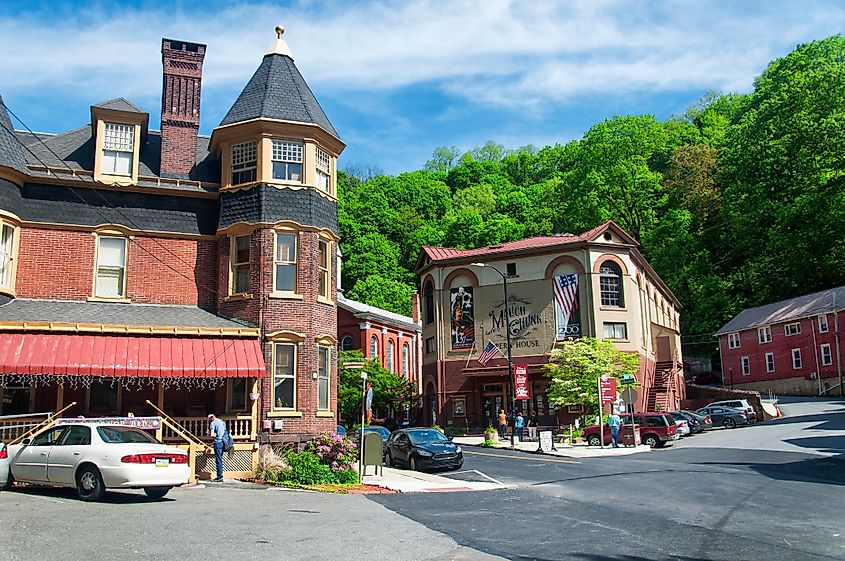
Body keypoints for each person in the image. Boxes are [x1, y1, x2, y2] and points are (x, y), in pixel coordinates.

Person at [208, 413, 227, 481]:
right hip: (223, 441)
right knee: (220, 459)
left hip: (218, 442)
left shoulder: (212, 423)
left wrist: (209, 433)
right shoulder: (220, 421)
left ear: (211, 418)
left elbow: (212, 435)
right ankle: (220, 475)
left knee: (218, 460)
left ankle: (219, 476)